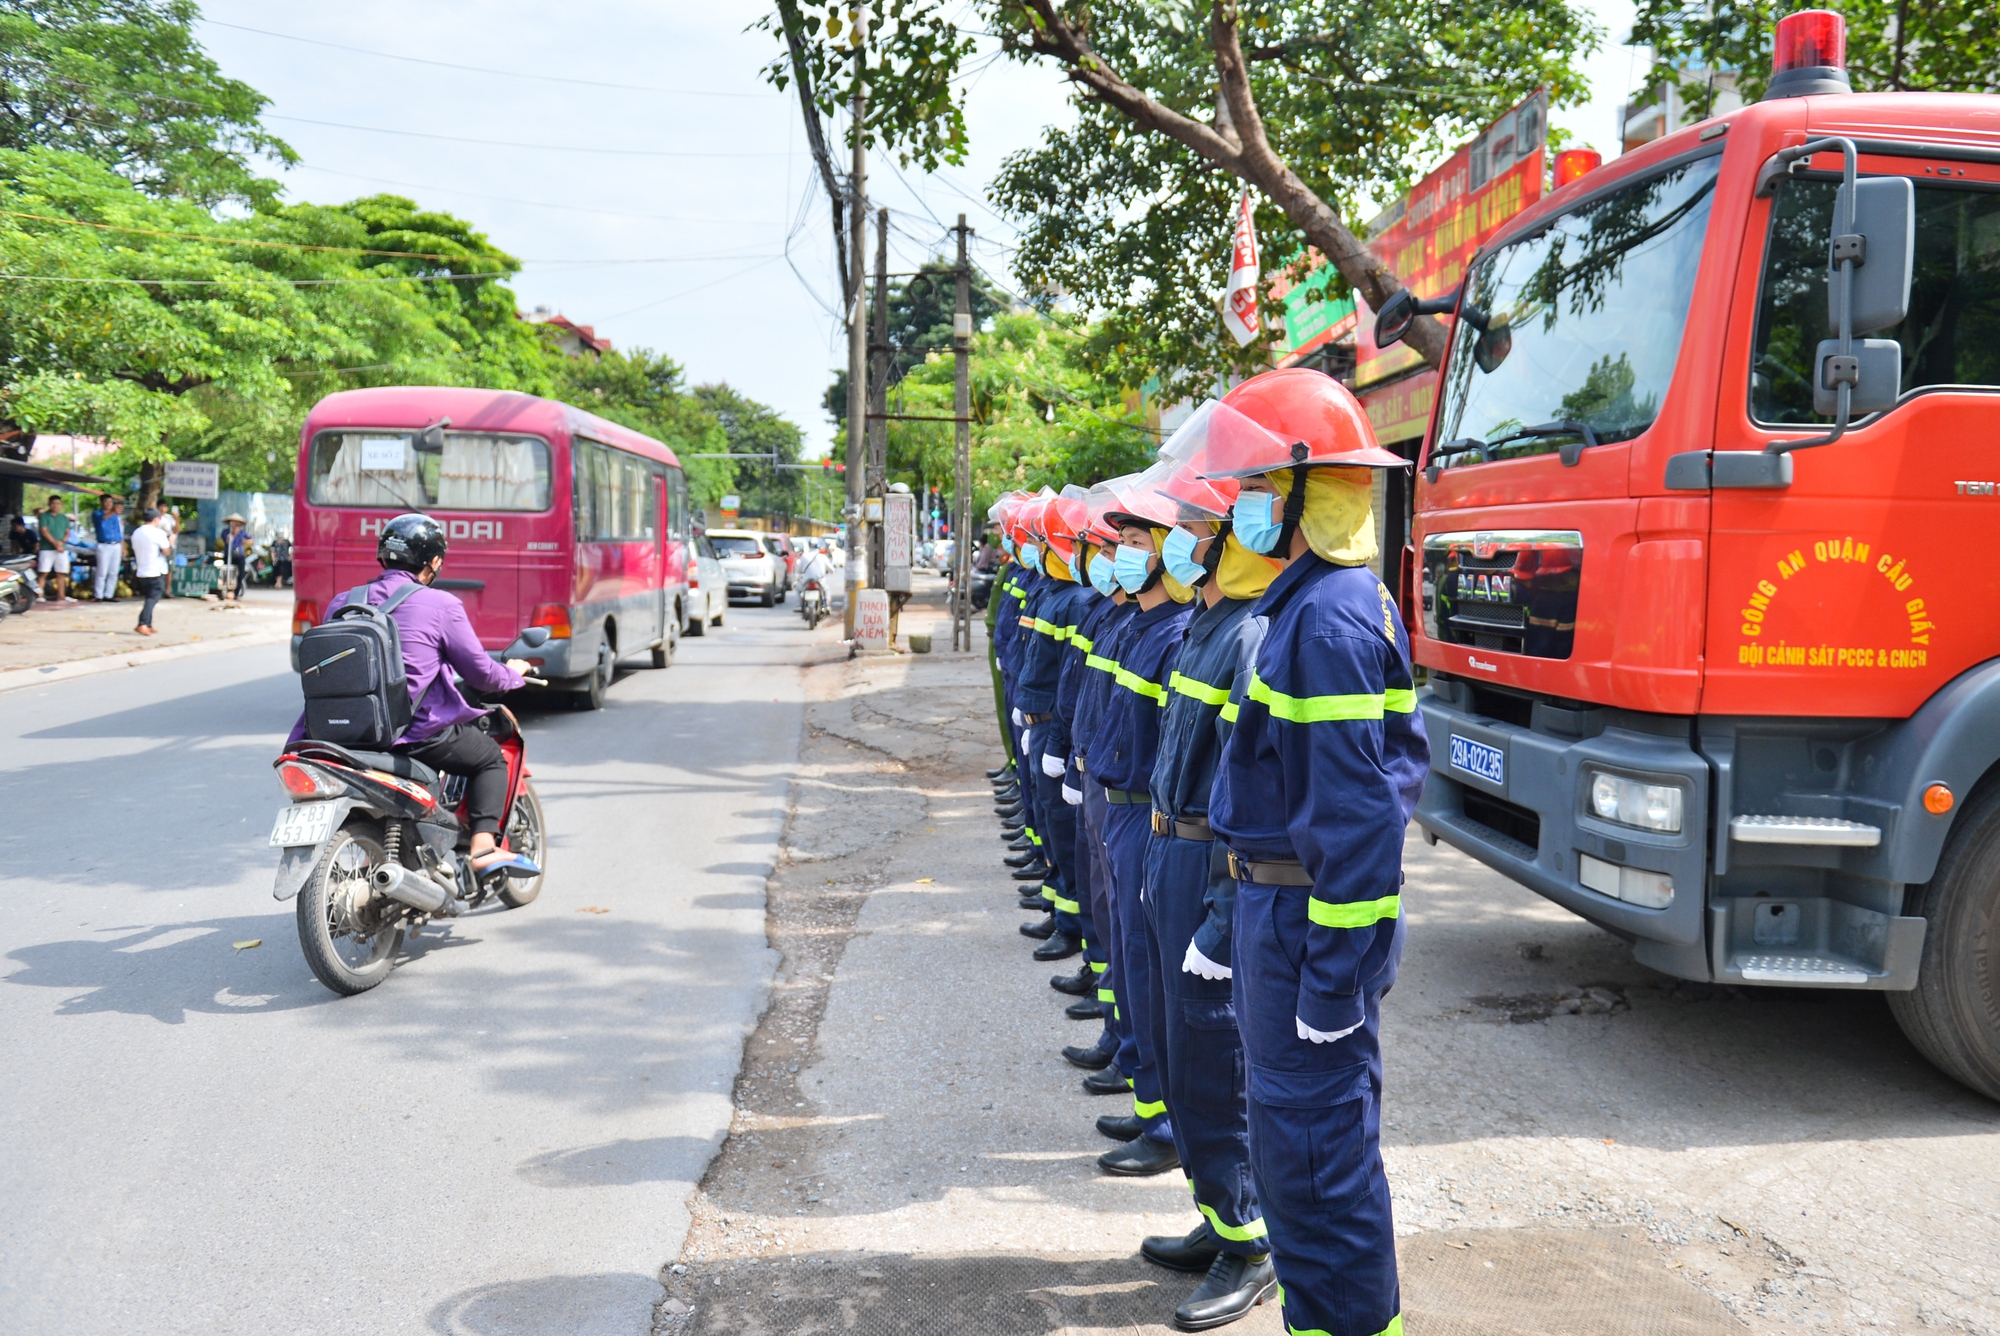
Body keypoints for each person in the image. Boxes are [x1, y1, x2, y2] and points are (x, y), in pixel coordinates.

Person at [1204, 368, 1429, 1336]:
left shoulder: (1326, 617)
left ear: (1303, 494)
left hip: (1303, 927)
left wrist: (1332, 980)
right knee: (1293, 1148)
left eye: (1255, 491)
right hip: (1277, 916)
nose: (1241, 512)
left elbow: (1357, 819)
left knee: (1312, 1159)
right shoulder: (1310, 605)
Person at [287, 514, 535, 876]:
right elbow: (481, 673)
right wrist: (513, 674)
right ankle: (483, 847)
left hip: (342, 734)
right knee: (489, 759)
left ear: (383, 556)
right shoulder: (441, 605)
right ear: (434, 562)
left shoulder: (343, 601)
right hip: (413, 735)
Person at [129, 507, 171, 635]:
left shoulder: (136, 532)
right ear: (155, 519)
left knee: (149, 597)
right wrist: (171, 542)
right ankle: (142, 623)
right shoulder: (157, 533)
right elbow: (166, 551)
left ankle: (148, 623)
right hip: (154, 570)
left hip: (141, 570)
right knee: (153, 597)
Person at [36, 495, 72, 602]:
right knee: (44, 572)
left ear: (60, 505)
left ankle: (61, 596)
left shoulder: (64, 518)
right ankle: (39, 595)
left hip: (62, 548)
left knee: (61, 572)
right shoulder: (44, 516)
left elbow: (67, 533)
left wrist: (61, 542)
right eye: (53, 503)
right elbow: (44, 531)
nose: (55, 505)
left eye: (57, 503)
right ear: (49, 504)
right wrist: (55, 543)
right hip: (47, 548)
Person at [91, 497, 125, 602]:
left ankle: (109, 594)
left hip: (116, 544)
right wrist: (113, 511)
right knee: (102, 571)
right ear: (102, 503)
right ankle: (98, 595)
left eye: (110, 502)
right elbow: (103, 518)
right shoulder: (97, 513)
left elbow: (119, 531)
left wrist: (123, 547)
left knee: (114, 571)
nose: (109, 504)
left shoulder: (115, 516)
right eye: (106, 501)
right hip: (104, 545)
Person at [220, 513, 250, 602]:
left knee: (240, 574)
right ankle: (225, 591)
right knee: (227, 573)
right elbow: (227, 540)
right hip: (228, 555)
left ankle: (236, 594)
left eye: (237, 524)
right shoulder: (225, 532)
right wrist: (233, 533)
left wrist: (245, 541)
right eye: (233, 524)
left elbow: (251, 540)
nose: (235, 526)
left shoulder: (243, 533)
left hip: (239, 556)